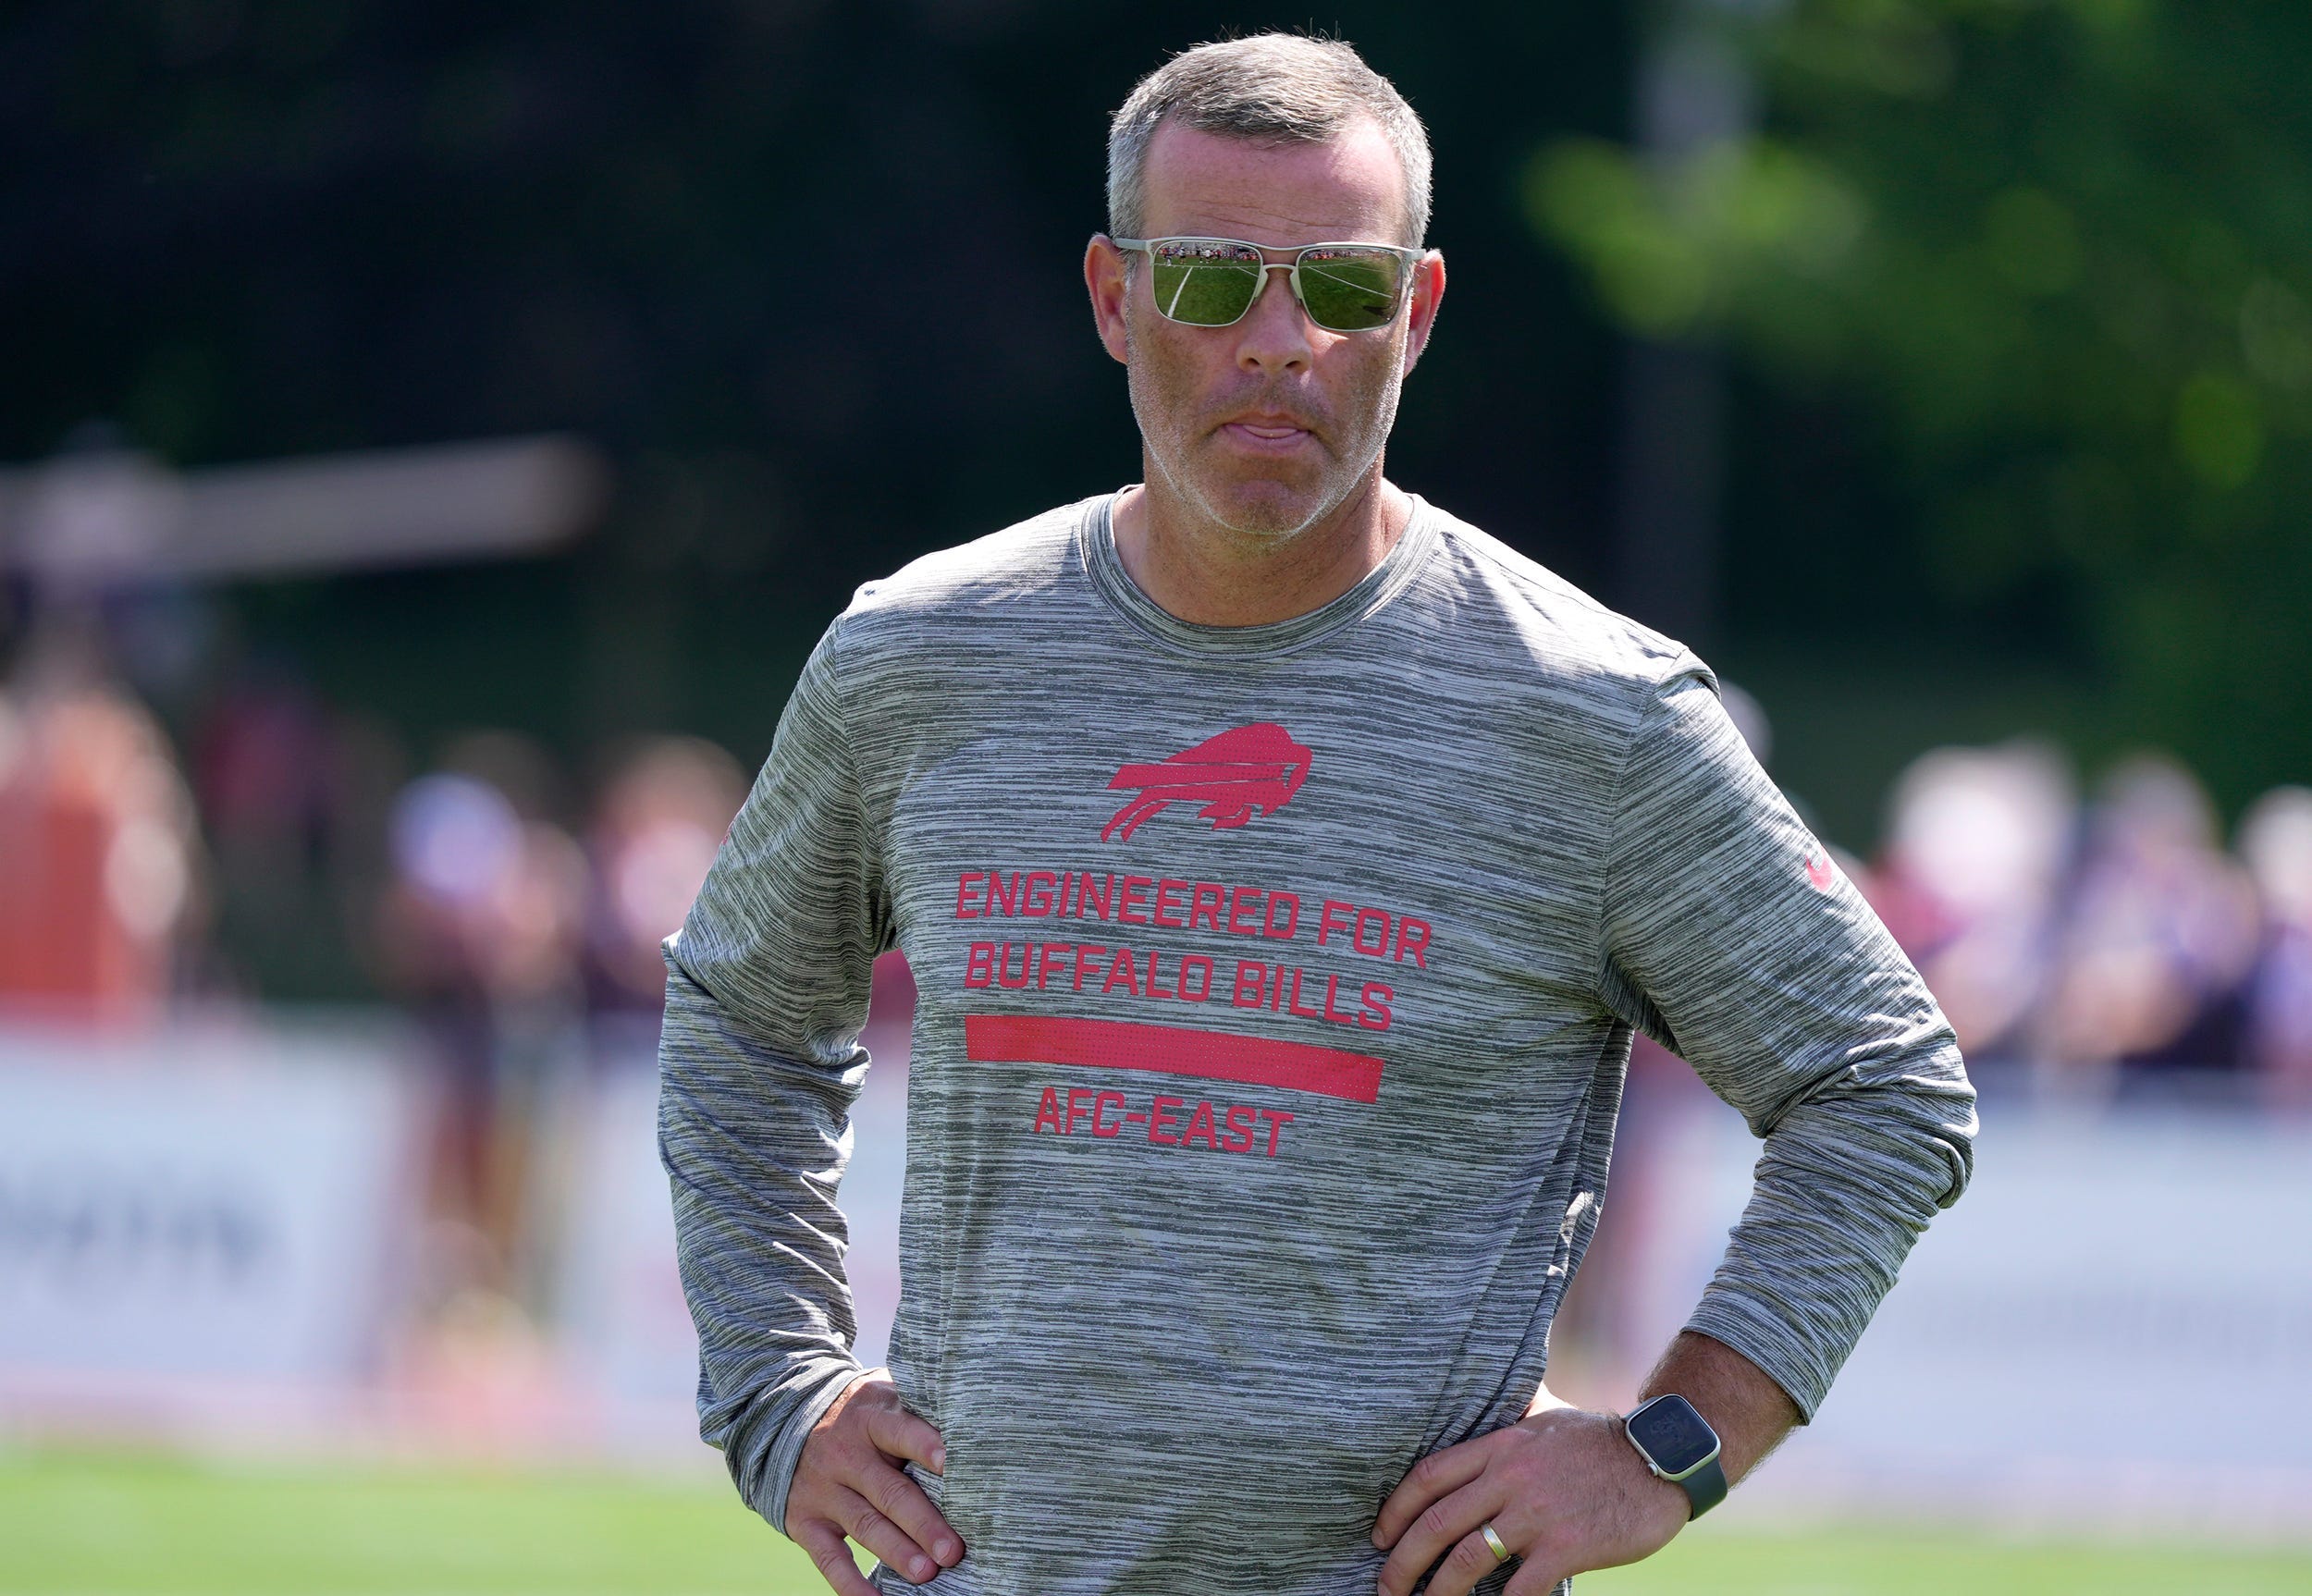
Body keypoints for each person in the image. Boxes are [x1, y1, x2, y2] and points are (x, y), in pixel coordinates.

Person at [658, 33, 1976, 1596]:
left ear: (1413, 314)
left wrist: (1666, 1447)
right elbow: (741, 1014)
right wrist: (776, 1394)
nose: (1279, 339)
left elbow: (1882, 1085)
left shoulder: (1597, 714)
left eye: (1341, 287)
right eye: (1213, 280)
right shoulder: (917, 658)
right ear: (1113, 298)